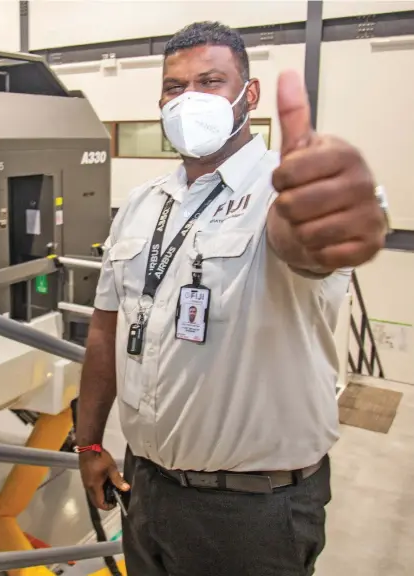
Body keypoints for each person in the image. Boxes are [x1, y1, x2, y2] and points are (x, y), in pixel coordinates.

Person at [76, 22, 387, 576]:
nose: (190, 98)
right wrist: (89, 442)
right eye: (175, 86)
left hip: (251, 511)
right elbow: (107, 329)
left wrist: (327, 229)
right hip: (146, 485)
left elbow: (303, 247)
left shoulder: (281, 192)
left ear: (250, 94)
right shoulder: (143, 204)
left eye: (211, 81)